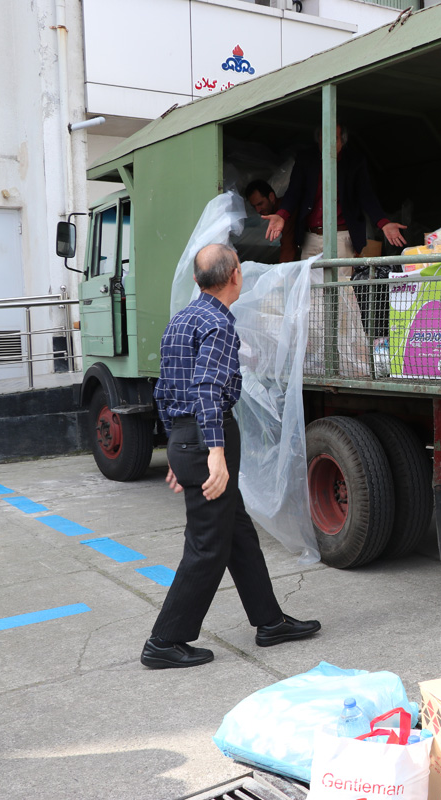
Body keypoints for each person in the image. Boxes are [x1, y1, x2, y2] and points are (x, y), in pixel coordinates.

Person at [142, 243, 321, 669]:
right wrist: (214, 452)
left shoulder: (182, 320)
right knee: (207, 546)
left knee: (238, 532)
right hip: (208, 439)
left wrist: (177, 448)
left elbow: (164, 391)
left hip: (189, 438)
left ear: (197, 280)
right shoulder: (219, 324)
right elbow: (206, 389)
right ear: (236, 274)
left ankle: (270, 621)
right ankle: (164, 641)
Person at [262, 125, 407, 259]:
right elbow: (294, 192)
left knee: (340, 285)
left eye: (334, 138)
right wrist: (281, 215)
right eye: (323, 137)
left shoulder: (354, 161)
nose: (327, 143)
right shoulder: (306, 159)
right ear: (318, 138)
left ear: (342, 142)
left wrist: (383, 223)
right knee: (311, 286)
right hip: (310, 236)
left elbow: (366, 195)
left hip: (341, 236)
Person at [243, 179, 297, 263]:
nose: (257, 210)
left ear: (271, 197)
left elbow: (288, 246)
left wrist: (280, 273)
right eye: (254, 206)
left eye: (260, 204)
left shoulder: (285, 213)